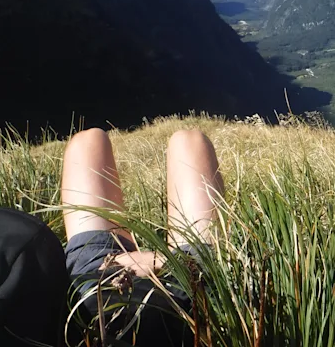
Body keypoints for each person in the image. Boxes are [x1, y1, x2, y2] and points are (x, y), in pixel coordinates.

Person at [61, 127, 224, 345]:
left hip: (91, 285)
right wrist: (167, 261)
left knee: (87, 142)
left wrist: (112, 265)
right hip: (192, 301)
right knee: (190, 142)